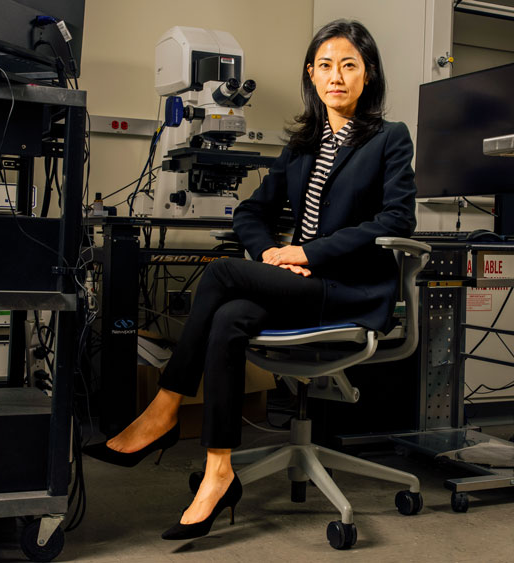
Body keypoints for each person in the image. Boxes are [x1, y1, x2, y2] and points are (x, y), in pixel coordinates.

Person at [83, 19, 417, 540]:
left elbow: (395, 221)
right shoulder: (301, 145)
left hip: (348, 290)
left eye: (349, 65)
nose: (336, 76)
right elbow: (251, 212)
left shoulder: (389, 140)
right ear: (311, 74)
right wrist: (268, 254)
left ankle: (162, 411)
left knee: (219, 274)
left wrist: (304, 251)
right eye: (325, 66)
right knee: (231, 319)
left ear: (368, 74)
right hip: (297, 283)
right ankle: (219, 469)